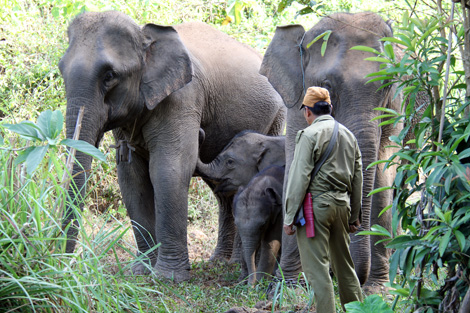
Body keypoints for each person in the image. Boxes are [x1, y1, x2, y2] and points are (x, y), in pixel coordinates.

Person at [283, 86, 363, 312]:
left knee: (318, 271)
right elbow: (358, 179)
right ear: (331, 108)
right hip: (342, 207)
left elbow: (299, 178)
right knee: (345, 268)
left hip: (315, 210)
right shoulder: (349, 135)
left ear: (307, 112)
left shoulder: (308, 135)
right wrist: (354, 216)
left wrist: (289, 217)